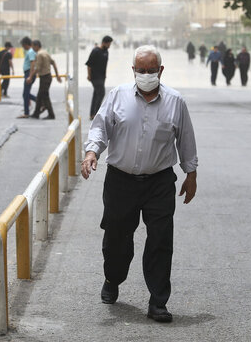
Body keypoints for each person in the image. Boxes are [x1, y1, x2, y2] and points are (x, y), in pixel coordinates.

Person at [81, 45, 198, 324]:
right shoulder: (118, 96)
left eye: (151, 70)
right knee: (117, 238)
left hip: (159, 181)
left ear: (161, 70)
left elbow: (186, 139)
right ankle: (113, 278)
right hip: (121, 181)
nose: (146, 75)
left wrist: (190, 173)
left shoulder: (175, 101)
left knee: (160, 240)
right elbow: (100, 127)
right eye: (141, 70)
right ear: (133, 71)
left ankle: (158, 301)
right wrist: (91, 152)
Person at [26, 40, 61, 119]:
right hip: (47, 77)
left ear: (36, 46)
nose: (32, 48)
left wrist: (30, 76)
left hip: (44, 77)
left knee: (45, 96)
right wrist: (57, 75)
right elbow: (53, 63)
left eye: (33, 46)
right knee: (39, 96)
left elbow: (37, 68)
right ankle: (36, 113)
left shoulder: (39, 55)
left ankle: (51, 114)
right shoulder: (45, 53)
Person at [86, 35, 113, 120]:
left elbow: (105, 65)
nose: (109, 46)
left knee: (96, 94)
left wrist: (105, 75)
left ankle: (92, 114)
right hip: (95, 77)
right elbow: (89, 64)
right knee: (101, 93)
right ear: (104, 43)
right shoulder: (95, 51)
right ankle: (96, 113)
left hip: (101, 77)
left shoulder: (106, 52)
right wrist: (89, 75)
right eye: (109, 44)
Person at [18, 37, 37, 118]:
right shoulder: (30, 51)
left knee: (25, 94)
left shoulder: (31, 52)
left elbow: (33, 63)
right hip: (28, 73)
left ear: (25, 44)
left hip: (29, 74)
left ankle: (27, 113)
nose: (23, 47)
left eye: (23, 45)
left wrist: (30, 76)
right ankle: (40, 102)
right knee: (26, 94)